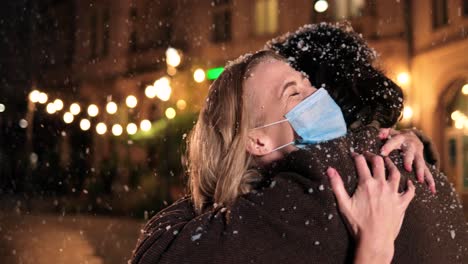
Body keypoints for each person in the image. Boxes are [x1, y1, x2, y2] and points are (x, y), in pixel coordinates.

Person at [129, 23, 467, 263]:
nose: (316, 99)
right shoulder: (424, 172)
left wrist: (215, 177)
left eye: (304, 86)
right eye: (294, 93)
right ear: (255, 138)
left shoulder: (319, 183)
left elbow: (157, 254)